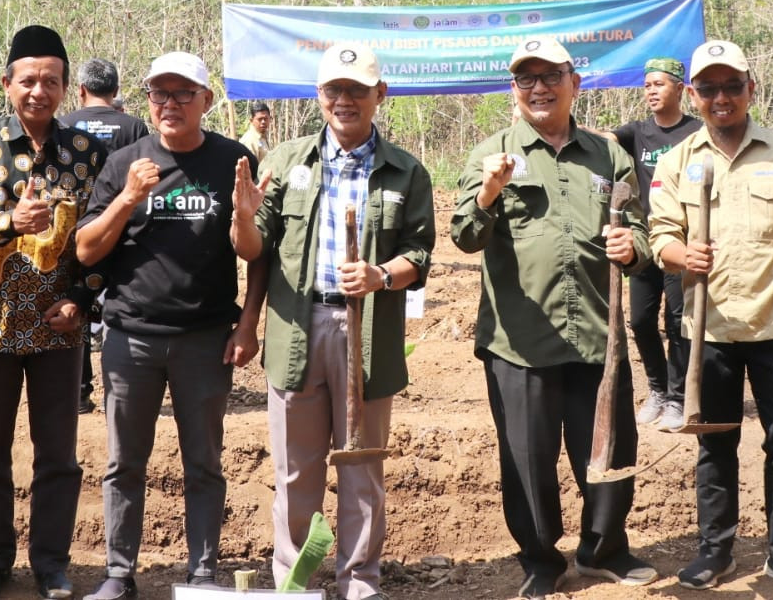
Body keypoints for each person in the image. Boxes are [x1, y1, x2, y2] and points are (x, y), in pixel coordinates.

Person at [450, 37, 653, 598]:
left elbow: (640, 230)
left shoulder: (607, 155)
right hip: (520, 341)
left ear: (574, 84)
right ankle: (541, 559)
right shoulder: (490, 155)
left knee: (611, 449)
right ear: (513, 92)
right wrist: (489, 192)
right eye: (526, 80)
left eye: (550, 77)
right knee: (527, 458)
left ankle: (604, 548)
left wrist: (631, 247)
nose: (538, 88)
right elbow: (465, 236)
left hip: (595, 330)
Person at [235, 41, 435, 600]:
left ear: (379, 95)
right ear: (318, 96)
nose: (344, 100)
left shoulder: (406, 171)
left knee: (362, 466)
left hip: (367, 333)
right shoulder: (284, 162)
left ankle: (359, 581)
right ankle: (294, 583)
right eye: (333, 91)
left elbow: (420, 254)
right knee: (296, 472)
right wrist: (244, 219)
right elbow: (254, 251)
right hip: (298, 330)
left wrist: (381, 276)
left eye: (356, 90)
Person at [648, 40, 773, 598]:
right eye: (708, 88)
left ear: (750, 89)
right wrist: (681, 255)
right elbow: (660, 232)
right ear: (694, 95)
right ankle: (716, 550)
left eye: (732, 85)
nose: (721, 97)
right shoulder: (678, 160)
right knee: (715, 442)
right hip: (707, 329)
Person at [75, 52, 261, 599]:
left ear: (206, 100)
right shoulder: (124, 163)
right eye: (160, 94)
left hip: (205, 339)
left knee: (204, 462)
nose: (171, 104)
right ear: (148, 100)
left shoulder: (233, 160)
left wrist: (247, 323)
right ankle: (118, 572)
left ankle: (202, 572)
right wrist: (129, 196)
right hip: (130, 337)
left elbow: (256, 254)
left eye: (184, 94)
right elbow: (86, 251)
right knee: (123, 463)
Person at [0, 26, 102, 600]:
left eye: (52, 81)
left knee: (57, 455)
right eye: (29, 80)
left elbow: (99, 241)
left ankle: (51, 564)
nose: (40, 91)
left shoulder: (88, 153)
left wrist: (82, 302)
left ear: (67, 87)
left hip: (58, 326)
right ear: (8, 82)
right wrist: (7, 224)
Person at [611, 57, 699, 432]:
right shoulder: (637, 133)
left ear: (679, 89)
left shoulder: (697, 132)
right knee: (642, 320)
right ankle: (659, 389)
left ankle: (680, 398)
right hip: (646, 242)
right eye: (647, 85)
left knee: (679, 321)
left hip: (683, 240)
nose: (651, 91)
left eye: (659, 84)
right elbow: (599, 138)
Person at [59, 57, 148, 414]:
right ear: (115, 90)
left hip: (78, 233)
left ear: (80, 90)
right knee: (122, 305)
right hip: (125, 230)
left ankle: (79, 393)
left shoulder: (64, 124)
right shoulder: (134, 126)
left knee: (74, 303)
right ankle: (129, 386)